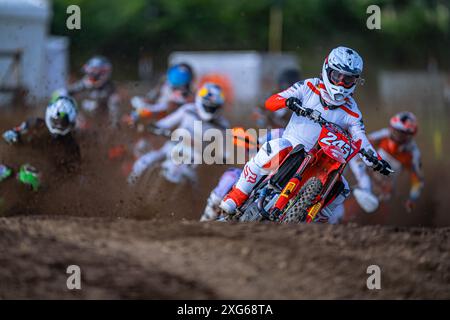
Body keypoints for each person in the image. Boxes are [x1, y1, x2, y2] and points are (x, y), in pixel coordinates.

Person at [219, 46, 393, 223]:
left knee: (343, 190)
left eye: (347, 79)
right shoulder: (309, 87)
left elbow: (361, 140)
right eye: (336, 76)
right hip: (291, 150)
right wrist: (288, 101)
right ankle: (237, 195)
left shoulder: (352, 112)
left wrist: (376, 160)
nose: (340, 83)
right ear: (327, 70)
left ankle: (310, 226)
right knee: (275, 146)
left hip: (320, 164)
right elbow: (271, 102)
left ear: (355, 81)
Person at [127, 82, 229, 185]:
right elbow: (165, 123)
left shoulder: (222, 125)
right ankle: (130, 188)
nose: (209, 109)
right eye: (208, 105)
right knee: (143, 163)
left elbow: (224, 151)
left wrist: (218, 155)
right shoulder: (188, 110)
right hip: (171, 148)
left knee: (196, 187)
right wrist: (154, 127)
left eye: (213, 107)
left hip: (194, 161)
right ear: (200, 100)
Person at [200, 127, 284, 221]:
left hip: (282, 186)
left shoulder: (284, 135)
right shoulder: (277, 135)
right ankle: (208, 216)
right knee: (233, 175)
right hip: (258, 181)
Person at [349, 111, 424, 214]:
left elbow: (417, 181)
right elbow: (362, 143)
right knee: (355, 162)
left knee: (383, 200)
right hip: (368, 171)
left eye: (401, 133)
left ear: (409, 135)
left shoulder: (413, 153)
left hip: (385, 185)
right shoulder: (384, 134)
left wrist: (412, 199)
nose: (396, 135)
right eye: (394, 130)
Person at [2, 96, 80, 190]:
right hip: (16, 165)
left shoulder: (71, 146)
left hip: (42, 181)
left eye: (63, 124)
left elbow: (71, 177)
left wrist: (47, 181)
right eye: (56, 121)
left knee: (29, 179)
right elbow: (12, 134)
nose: (58, 126)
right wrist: (13, 135)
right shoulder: (34, 124)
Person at [55, 56, 120, 127]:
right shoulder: (84, 83)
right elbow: (63, 92)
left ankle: (111, 127)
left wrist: (112, 125)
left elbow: (113, 110)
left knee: (114, 100)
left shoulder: (109, 88)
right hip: (80, 119)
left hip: (100, 123)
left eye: (95, 75)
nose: (92, 78)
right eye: (90, 74)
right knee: (63, 97)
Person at [128, 63, 195, 125]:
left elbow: (189, 103)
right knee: (136, 101)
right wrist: (148, 99)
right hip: (158, 107)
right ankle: (135, 117)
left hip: (169, 113)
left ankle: (140, 117)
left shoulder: (188, 92)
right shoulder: (165, 84)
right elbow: (151, 96)